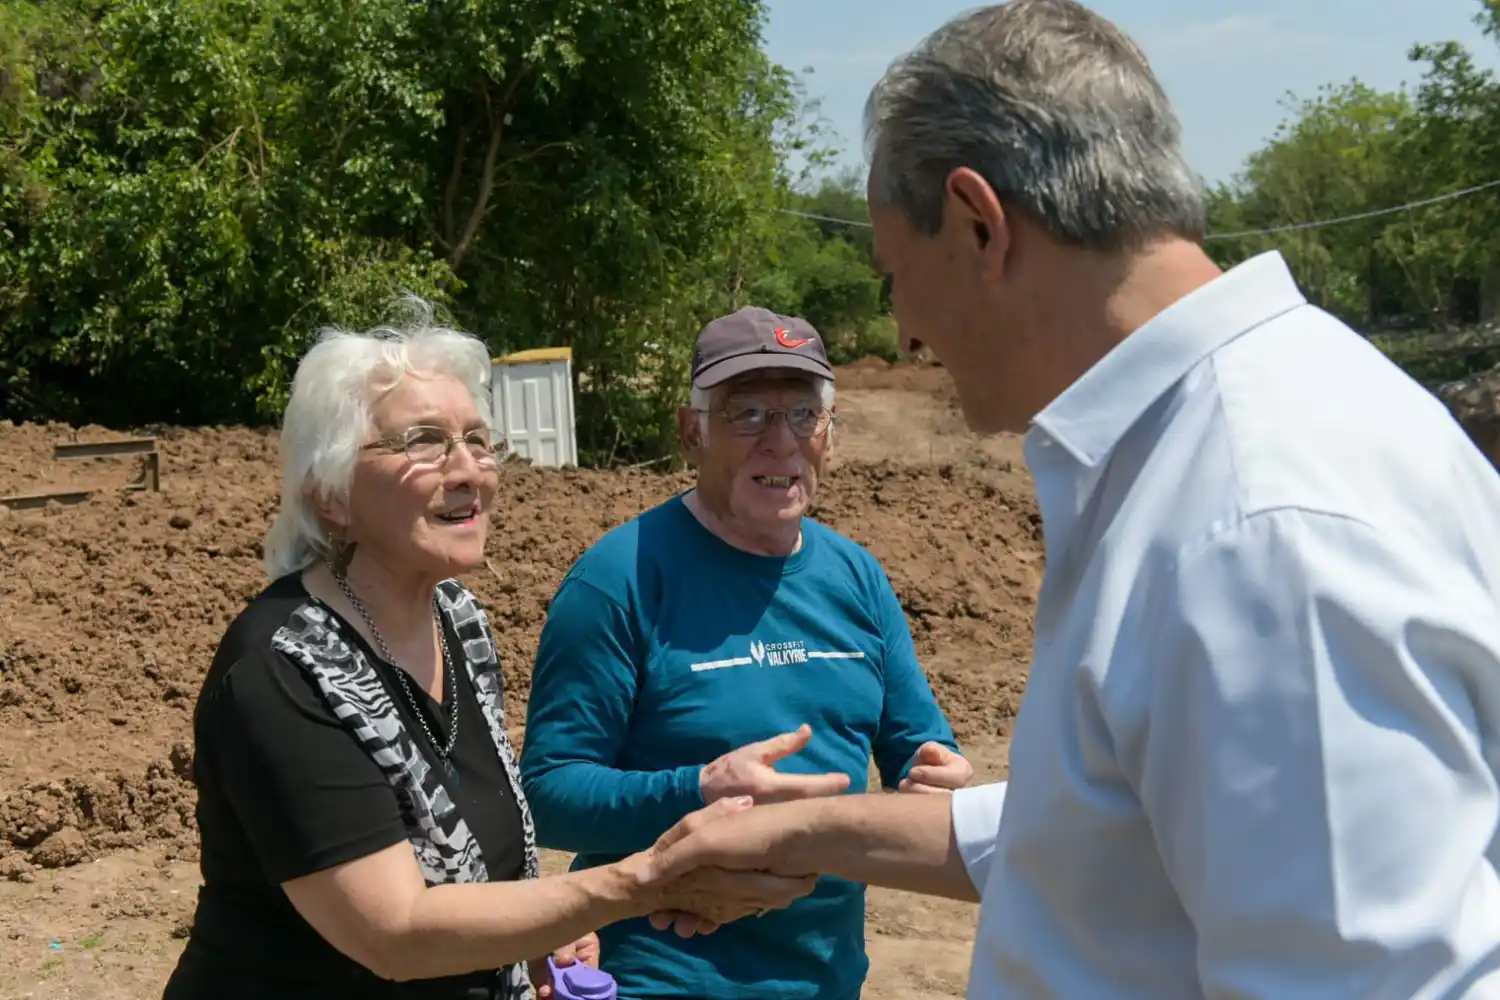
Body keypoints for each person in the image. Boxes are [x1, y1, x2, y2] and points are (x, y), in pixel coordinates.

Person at [639, 2, 1500, 998]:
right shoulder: (1219, 453)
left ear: (978, 223)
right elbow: (1114, 836)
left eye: (896, 274)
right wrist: (808, 829)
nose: (905, 328)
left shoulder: (1259, 526)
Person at [161, 301, 815, 1000]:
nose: (470, 470)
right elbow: (398, 932)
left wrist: (541, 931)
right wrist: (640, 880)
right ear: (331, 497)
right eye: (424, 442)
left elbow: (480, 855)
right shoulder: (281, 668)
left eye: (477, 440)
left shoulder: (455, 618)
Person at [519, 304, 974, 1000]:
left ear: (829, 432)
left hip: (826, 979)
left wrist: (934, 779)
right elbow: (548, 794)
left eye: (802, 414)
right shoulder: (620, 579)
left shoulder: (857, 578)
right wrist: (698, 791)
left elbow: (918, 747)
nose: (781, 443)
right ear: (690, 431)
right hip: (659, 978)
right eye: (748, 414)